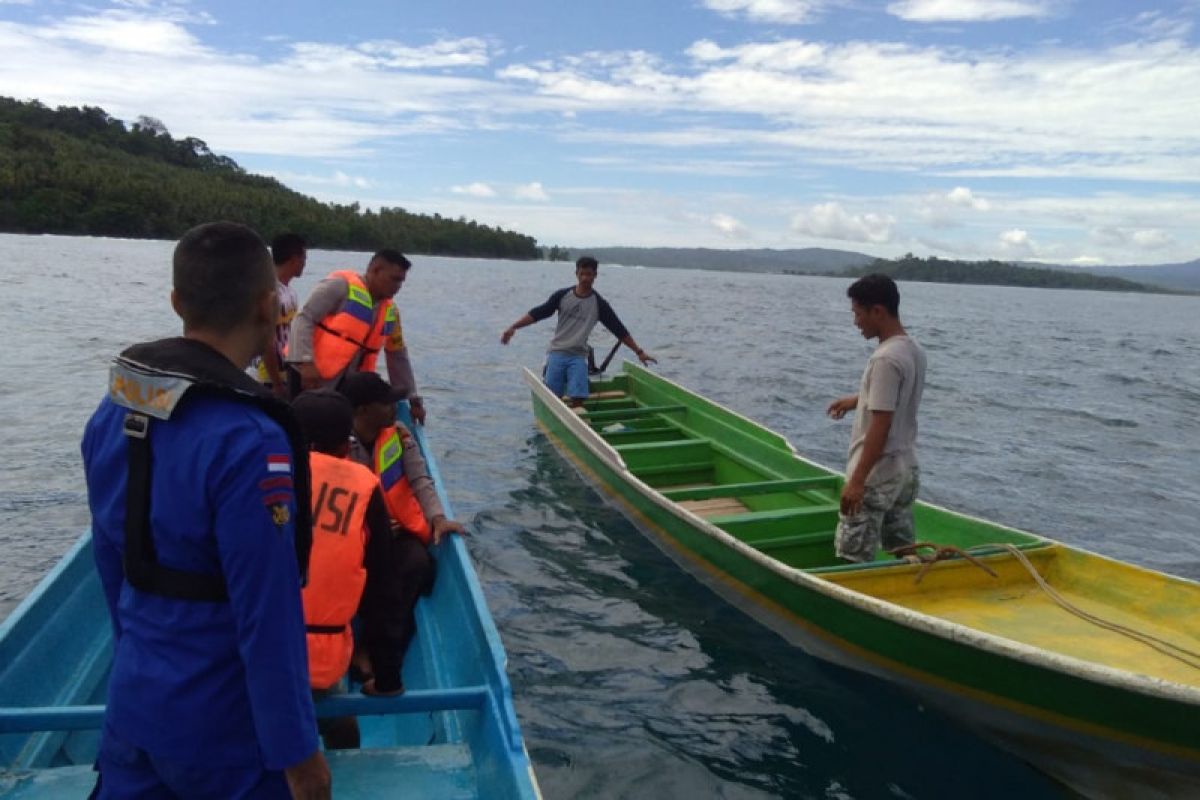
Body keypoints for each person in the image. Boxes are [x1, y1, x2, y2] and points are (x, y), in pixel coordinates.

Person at [81, 222, 330, 799]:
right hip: (224, 727)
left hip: (135, 701)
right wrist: (299, 755)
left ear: (176, 302)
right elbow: (266, 614)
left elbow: (111, 563)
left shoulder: (113, 409)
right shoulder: (250, 440)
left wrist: (135, 669)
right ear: (271, 307)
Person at [290, 390, 408, 750]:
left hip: (248, 653)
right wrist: (387, 678)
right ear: (346, 445)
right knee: (340, 724)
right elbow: (381, 591)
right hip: (321, 660)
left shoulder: (258, 472)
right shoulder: (362, 485)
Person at [337, 371, 464, 677]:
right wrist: (370, 530)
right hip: (355, 535)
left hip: (396, 532)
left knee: (417, 564)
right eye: (386, 402)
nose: (395, 407)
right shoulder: (337, 444)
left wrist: (437, 518)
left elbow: (420, 480)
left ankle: (371, 647)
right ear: (362, 411)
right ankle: (346, 645)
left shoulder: (399, 435)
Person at [826, 273, 927, 564]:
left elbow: (881, 425)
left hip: (877, 473)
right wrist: (856, 401)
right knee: (903, 552)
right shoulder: (913, 349)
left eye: (858, 313)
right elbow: (895, 400)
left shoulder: (884, 359)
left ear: (877, 311)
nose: (856, 321)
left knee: (852, 555)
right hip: (906, 469)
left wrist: (857, 481)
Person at [287, 249, 427, 424]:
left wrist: (412, 398)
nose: (398, 286)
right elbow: (304, 319)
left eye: (401, 281)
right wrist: (305, 362)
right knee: (299, 425)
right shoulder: (339, 287)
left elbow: (397, 355)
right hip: (310, 376)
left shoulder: (391, 313)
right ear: (375, 270)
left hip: (348, 386)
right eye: (394, 279)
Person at [500, 255, 656, 407]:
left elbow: (619, 329)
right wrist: (513, 327)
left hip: (578, 356)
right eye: (582, 274)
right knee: (552, 397)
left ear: (595, 275)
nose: (585, 278)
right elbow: (538, 313)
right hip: (557, 353)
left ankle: (578, 419)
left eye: (589, 274)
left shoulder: (599, 304)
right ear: (576, 274)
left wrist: (639, 351)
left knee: (578, 398)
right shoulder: (562, 296)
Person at [255, 232, 307, 399]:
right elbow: (267, 340)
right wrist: (277, 383)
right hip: (269, 376)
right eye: (303, 259)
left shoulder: (290, 292)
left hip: (286, 373)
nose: (305, 264)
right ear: (294, 259)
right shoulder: (271, 292)